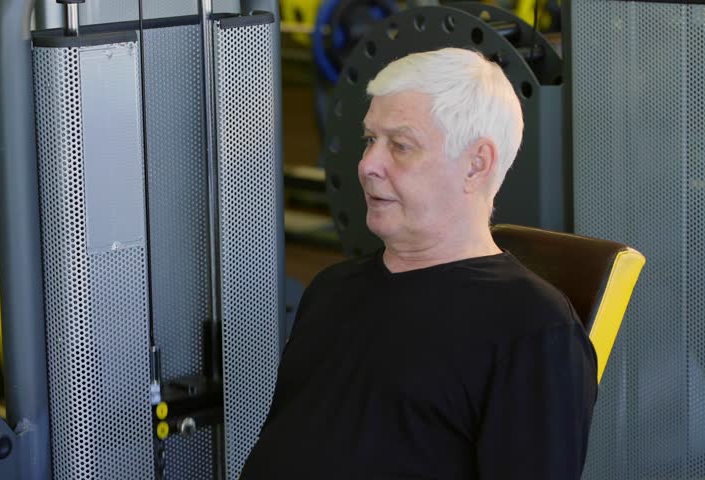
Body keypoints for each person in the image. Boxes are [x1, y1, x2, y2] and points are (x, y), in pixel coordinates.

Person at [240, 47, 598, 479]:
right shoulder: (332, 289)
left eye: (401, 145)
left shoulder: (534, 331)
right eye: (370, 140)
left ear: (476, 164)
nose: (368, 165)